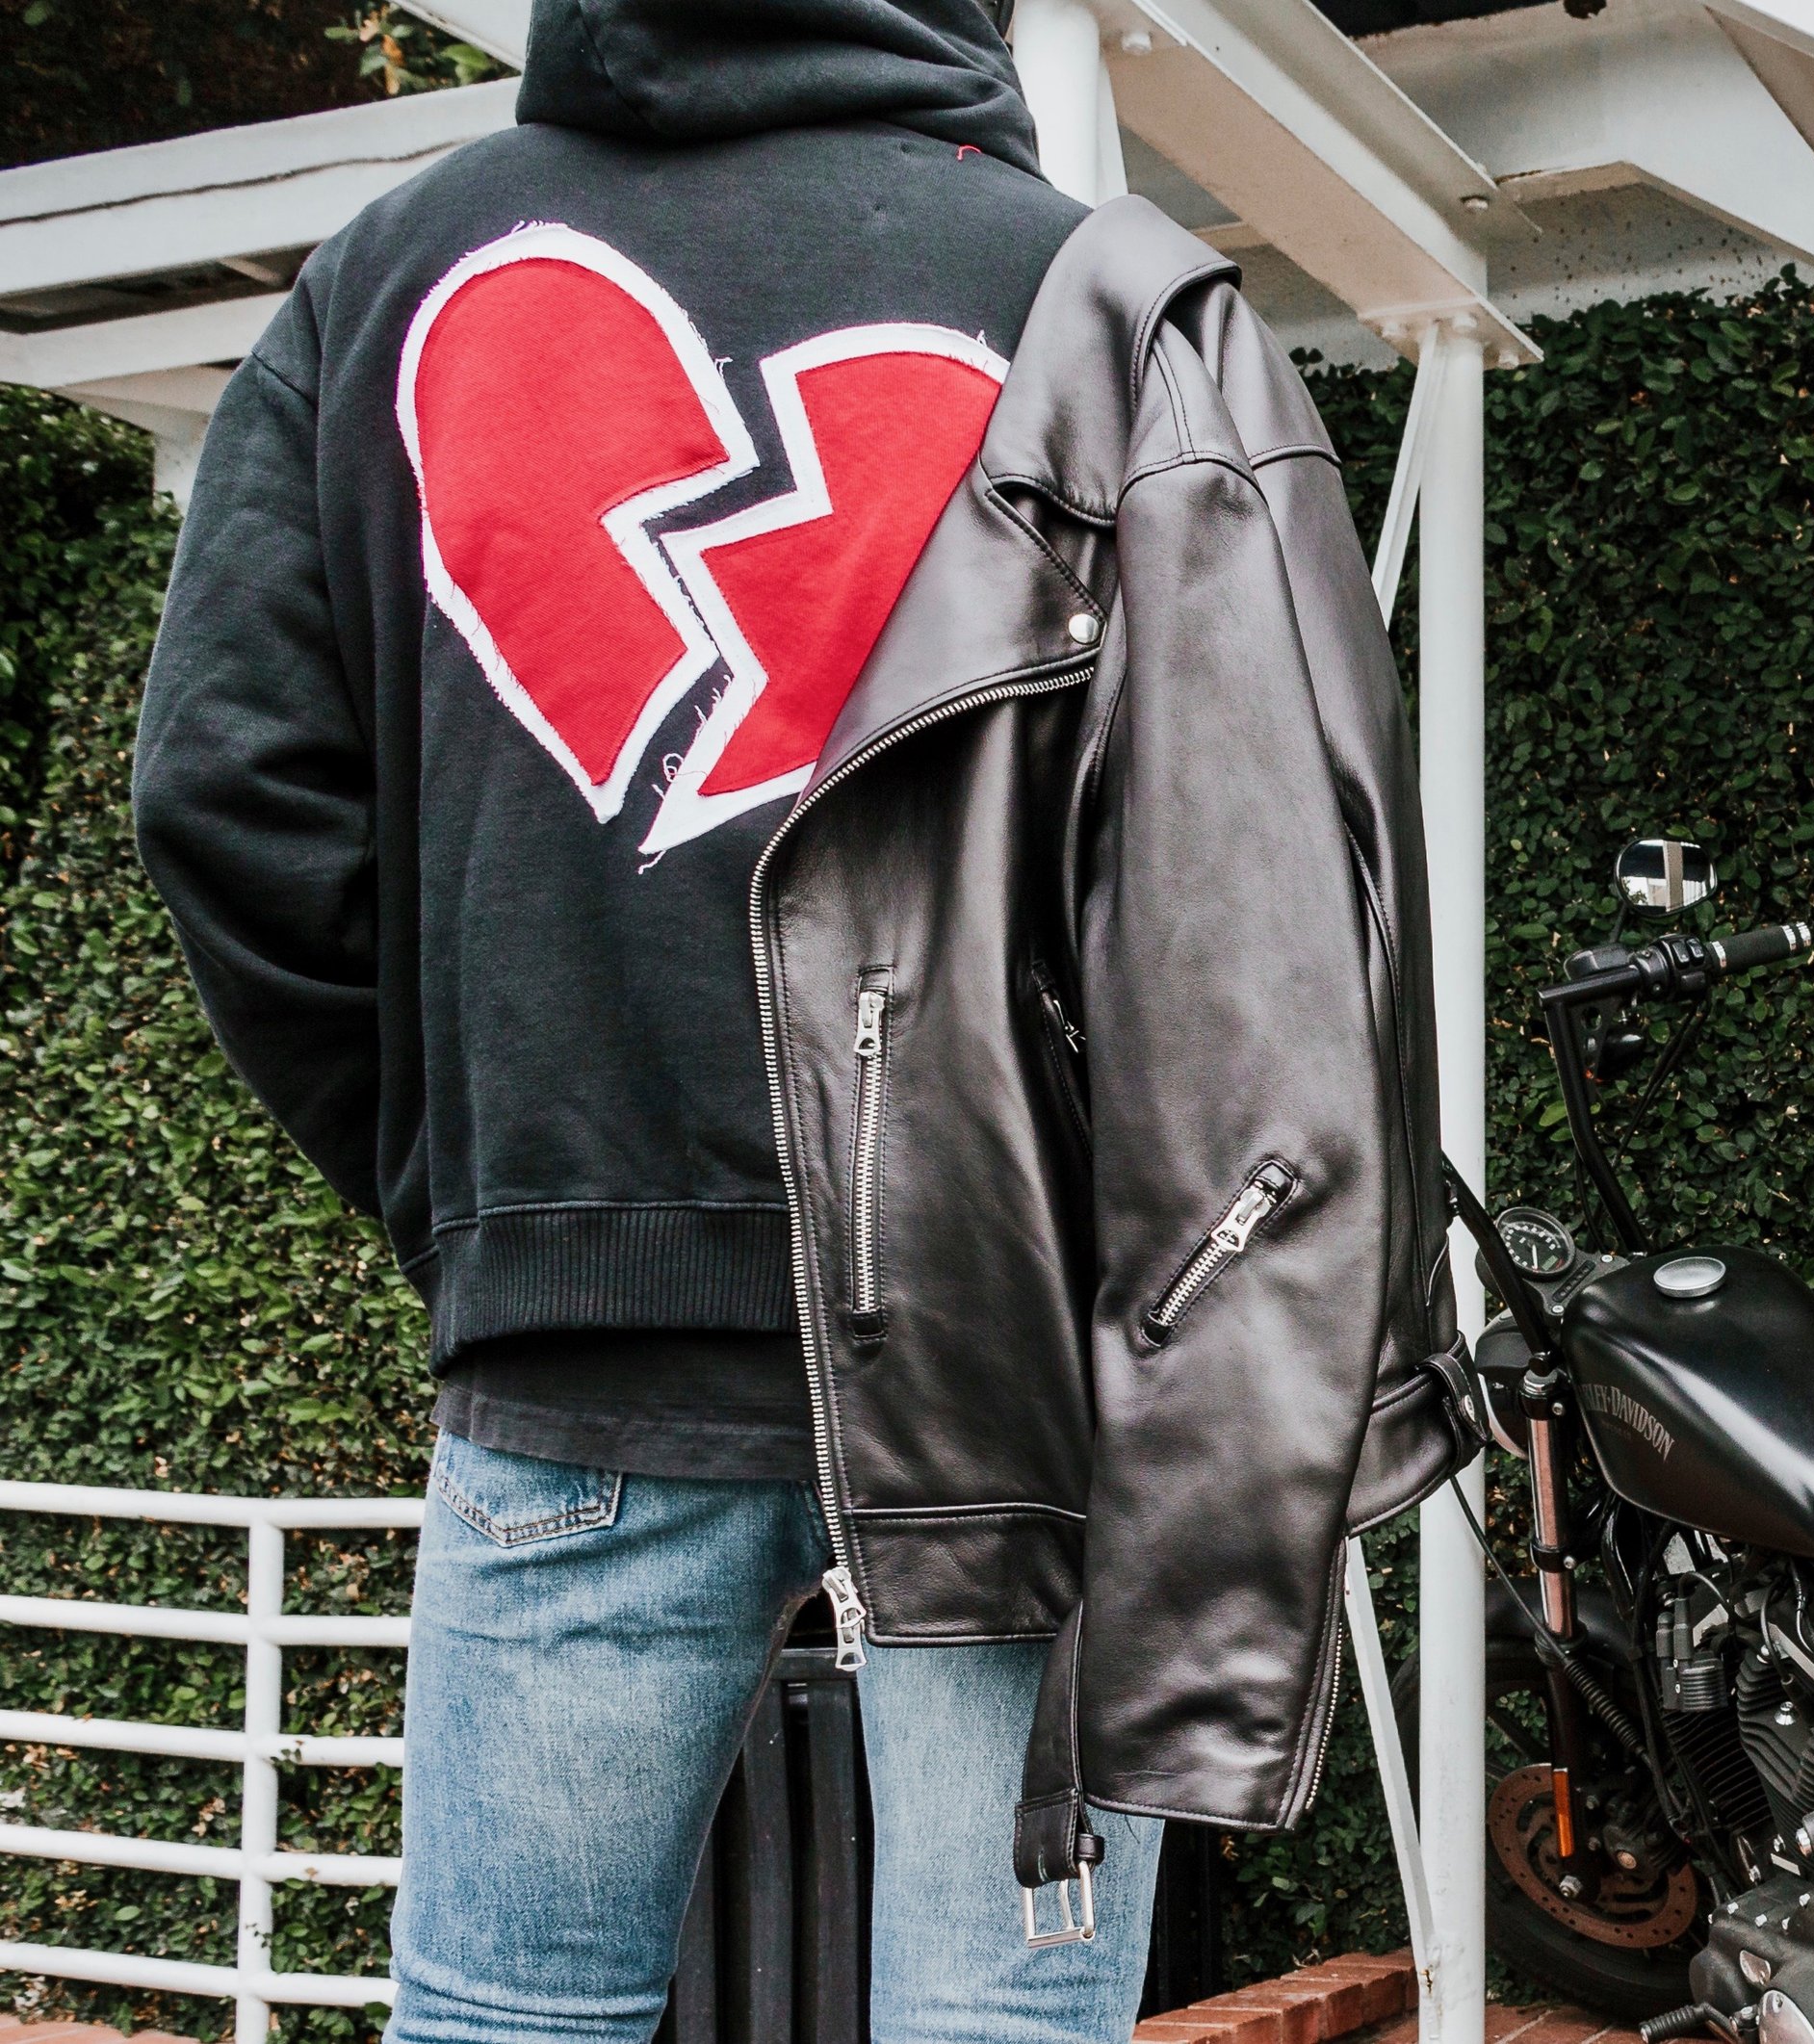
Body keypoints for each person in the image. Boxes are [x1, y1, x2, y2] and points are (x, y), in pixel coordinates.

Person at [131, 0, 1470, 2038]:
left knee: (509, 2017)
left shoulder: (393, 273)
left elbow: (228, 798)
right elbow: (1261, 871)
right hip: (1014, 1365)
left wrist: (483, 1199)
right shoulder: (1094, 294)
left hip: (578, 1349)